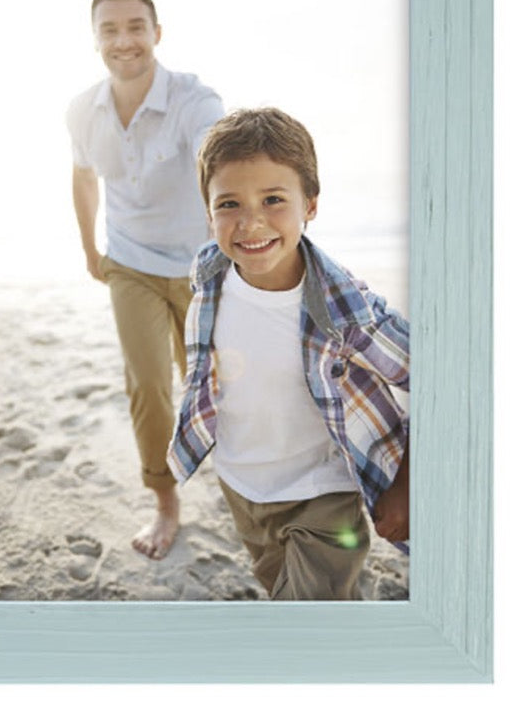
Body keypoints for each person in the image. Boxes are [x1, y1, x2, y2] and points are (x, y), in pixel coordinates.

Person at [167, 107, 409, 599]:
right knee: (292, 595)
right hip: (241, 484)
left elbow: (444, 377)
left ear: (311, 204)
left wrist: (408, 480)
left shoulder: (348, 311)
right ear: (208, 210)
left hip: (322, 494)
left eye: (274, 199)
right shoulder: (210, 274)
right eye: (229, 204)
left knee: (308, 620)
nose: (251, 222)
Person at [66, 0, 225, 560]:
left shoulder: (193, 99)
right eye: (110, 29)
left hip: (201, 267)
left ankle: (241, 484)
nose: (124, 40)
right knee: (149, 388)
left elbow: (216, 154)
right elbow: (84, 179)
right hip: (129, 263)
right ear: (95, 40)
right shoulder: (83, 110)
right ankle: (165, 503)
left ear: (157, 33)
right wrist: (90, 252)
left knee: (212, 385)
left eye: (136, 27)